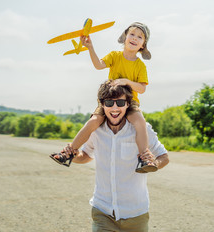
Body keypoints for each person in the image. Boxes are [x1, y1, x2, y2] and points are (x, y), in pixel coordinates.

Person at [58, 81, 169, 231]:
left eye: (120, 102)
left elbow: (164, 157)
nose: (115, 108)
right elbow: (86, 155)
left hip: (136, 214)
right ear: (102, 105)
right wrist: (74, 155)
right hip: (102, 211)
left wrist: (154, 163)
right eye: (109, 103)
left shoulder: (142, 129)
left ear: (128, 104)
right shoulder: (96, 130)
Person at [63, 22, 155, 172]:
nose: (134, 38)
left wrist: (126, 82)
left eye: (140, 37)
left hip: (130, 102)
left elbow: (142, 88)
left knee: (139, 121)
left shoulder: (140, 66)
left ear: (143, 45)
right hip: (109, 100)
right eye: (132, 34)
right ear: (125, 37)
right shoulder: (114, 56)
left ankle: (145, 157)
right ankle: (69, 151)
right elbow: (99, 65)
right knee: (93, 121)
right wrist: (90, 47)